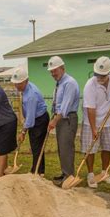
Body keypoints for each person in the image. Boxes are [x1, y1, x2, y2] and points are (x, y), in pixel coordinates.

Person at [81, 57, 110, 188]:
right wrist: (93, 129)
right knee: (90, 149)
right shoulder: (89, 86)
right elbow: (91, 110)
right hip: (91, 122)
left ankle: (104, 172)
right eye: (97, 74)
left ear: (109, 73)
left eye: (103, 75)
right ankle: (90, 174)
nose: (100, 77)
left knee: (107, 147)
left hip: (108, 120)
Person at [46, 56, 80, 187]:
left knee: (66, 148)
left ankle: (69, 176)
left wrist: (54, 121)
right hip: (60, 119)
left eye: (55, 70)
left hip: (67, 119)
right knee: (62, 148)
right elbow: (57, 104)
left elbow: (65, 107)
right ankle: (65, 172)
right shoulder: (59, 83)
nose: (53, 73)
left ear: (62, 68)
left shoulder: (69, 83)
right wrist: (53, 117)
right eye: (51, 71)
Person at [11, 68, 49, 175]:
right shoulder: (25, 89)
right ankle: (38, 170)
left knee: (36, 146)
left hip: (39, 120)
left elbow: (30, 119)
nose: (16, 86)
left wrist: (23, 132)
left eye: (19, 83)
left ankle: (37, 172)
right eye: (15, 83)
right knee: (36, 146)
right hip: (35, 118)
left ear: (26, 81)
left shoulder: (31, 95)